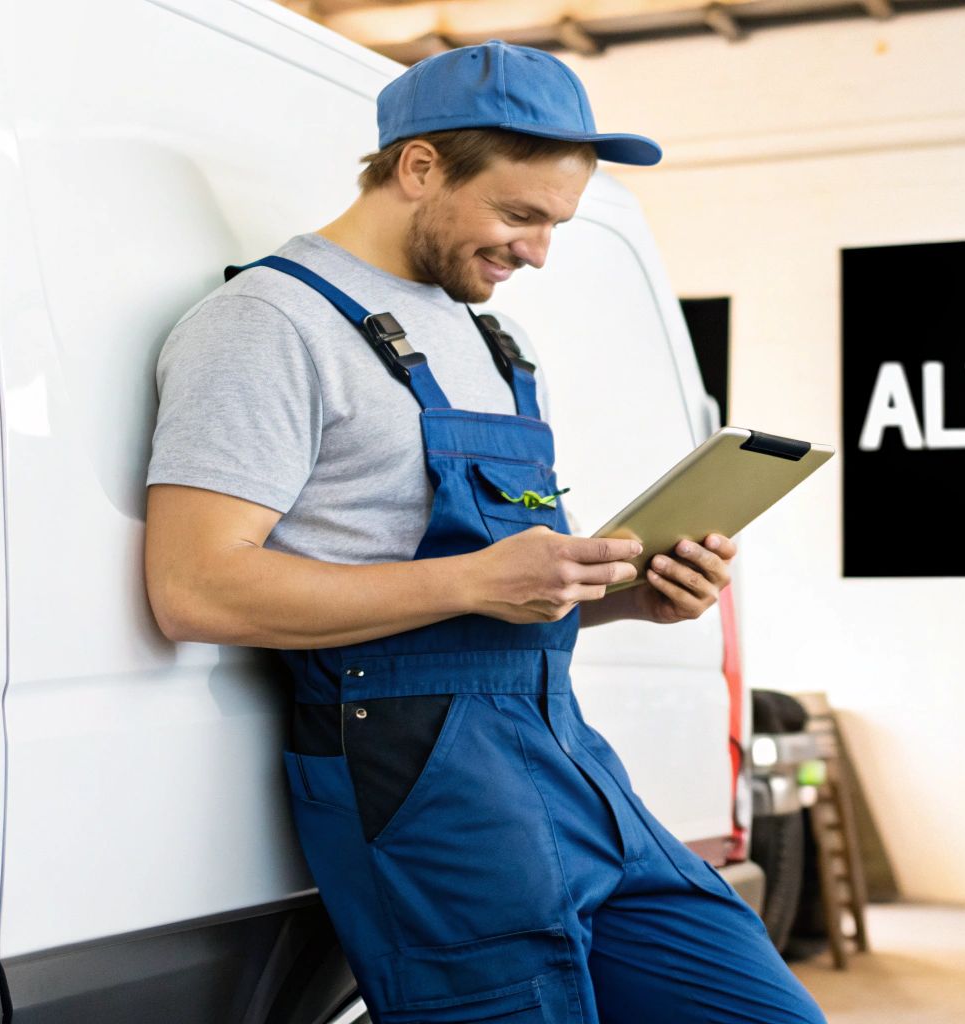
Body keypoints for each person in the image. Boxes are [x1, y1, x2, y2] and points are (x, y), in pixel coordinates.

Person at [142, 38, 826, 1024]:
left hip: (563, 752)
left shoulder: (492, 338)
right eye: (517, 215)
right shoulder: (268, 325)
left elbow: (514, 588)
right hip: (421, 782)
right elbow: (193, 586)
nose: (537, 251)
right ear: (417, 167)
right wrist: (470, 582)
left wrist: (629, 596)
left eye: (555, 224)